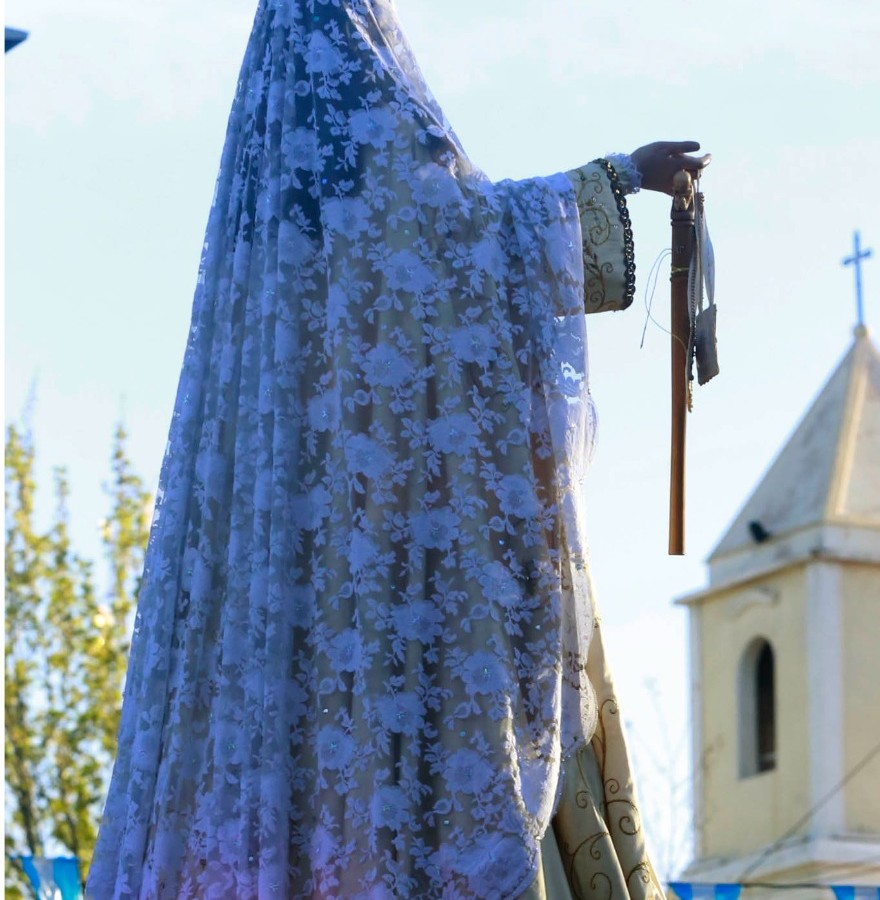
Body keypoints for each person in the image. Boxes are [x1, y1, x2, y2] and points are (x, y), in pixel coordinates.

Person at [86, 1, 706, 897]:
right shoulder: (345, 51)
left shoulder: (266, 252)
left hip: (315, 577)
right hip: (404, 577)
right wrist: (617, 177)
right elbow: (455, 240)